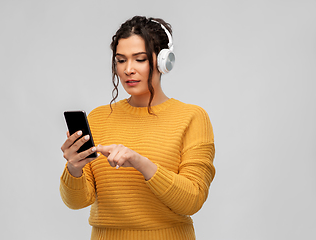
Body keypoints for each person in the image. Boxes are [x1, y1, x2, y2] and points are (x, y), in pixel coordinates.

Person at [60, 16, 215, 240]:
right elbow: (76, 202)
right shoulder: (99, 117)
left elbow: (192, 200)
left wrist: (139, 162)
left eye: (140, 59)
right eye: (121, 60)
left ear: (164, 61)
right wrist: (73, 168)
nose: (128, 70)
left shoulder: (192, 117)